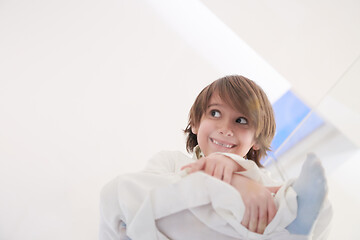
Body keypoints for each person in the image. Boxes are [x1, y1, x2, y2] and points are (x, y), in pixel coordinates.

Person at [99, 75, 332, 240]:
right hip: (162, 232)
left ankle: (292, 228)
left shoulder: (261, 179)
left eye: (241, 121)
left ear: (256, 141)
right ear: (196, 122)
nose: (225, 128)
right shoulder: (170, 161)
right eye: (215, 113)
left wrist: (239, 172)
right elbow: (142, 199)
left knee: (308, 205)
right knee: (118, 190)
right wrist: (233, 180)